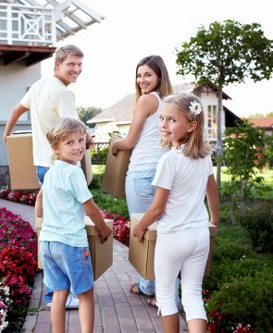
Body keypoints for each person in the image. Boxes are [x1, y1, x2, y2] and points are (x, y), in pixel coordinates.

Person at [3, 44, 85, 308]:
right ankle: (58, 294)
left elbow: (16, 111)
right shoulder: (62, 94)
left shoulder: (39, 86)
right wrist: (88, 142)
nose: (76, 69)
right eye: (71, 64)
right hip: (61, 167)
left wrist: (7, 136)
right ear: (57, 65)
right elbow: (76, 132)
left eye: (80, 64)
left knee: (51, 229)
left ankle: (54, 293)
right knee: (65, 231)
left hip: (42, 166)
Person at [133, 93, 219, 333]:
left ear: (191, 126)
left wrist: (140, 227)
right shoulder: (203, 157)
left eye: (172, 120)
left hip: (173, 237)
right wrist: (214, 221)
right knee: (192, 295)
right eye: (162, 118)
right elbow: (212, 193)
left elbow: (158, 208)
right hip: (199, 236)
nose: (163, 124)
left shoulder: (170, 160)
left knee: (166, 294)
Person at [35, 117, 112, 333]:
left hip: (48, 242)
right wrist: (104, 230)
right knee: (85, 293)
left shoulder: (50, 172)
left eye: (80, 140)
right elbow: (89, 207)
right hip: (71, 244)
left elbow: (39, 199)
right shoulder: (74, 172)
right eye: (69, 142)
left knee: (59, 293)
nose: (78, 146)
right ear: (55, 147)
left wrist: (39, 224)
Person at [109, 55, 173, 305]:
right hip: (162, 173)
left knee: (145, 233)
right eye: (139, 75)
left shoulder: (147, 100)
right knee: (162, 233)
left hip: (142, 173)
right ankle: (156, 287)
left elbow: (130, 141)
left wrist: (115, 144)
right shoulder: (168, 101)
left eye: (147, 74)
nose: (142, 80)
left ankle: (155, 289)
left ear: (159, 76)